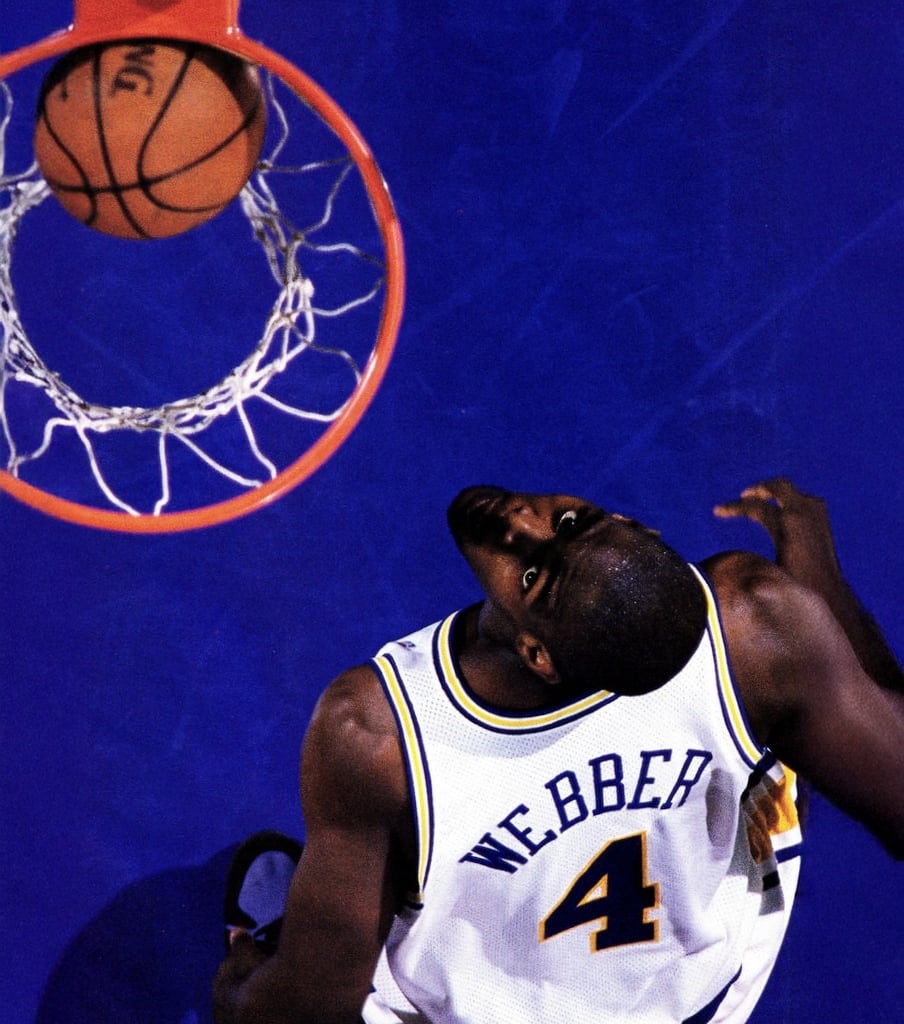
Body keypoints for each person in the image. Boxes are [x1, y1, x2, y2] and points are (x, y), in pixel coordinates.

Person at [213, 478, 903, 1024]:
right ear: (635, 528)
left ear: (538, 654)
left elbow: (309, 1010)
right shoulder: (759, 621)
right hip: (705, 999)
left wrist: (242, 991)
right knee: (782, 734)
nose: (518, 523)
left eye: (533, 574)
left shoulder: (379, 733)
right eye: (568, 524)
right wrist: (821, 587)